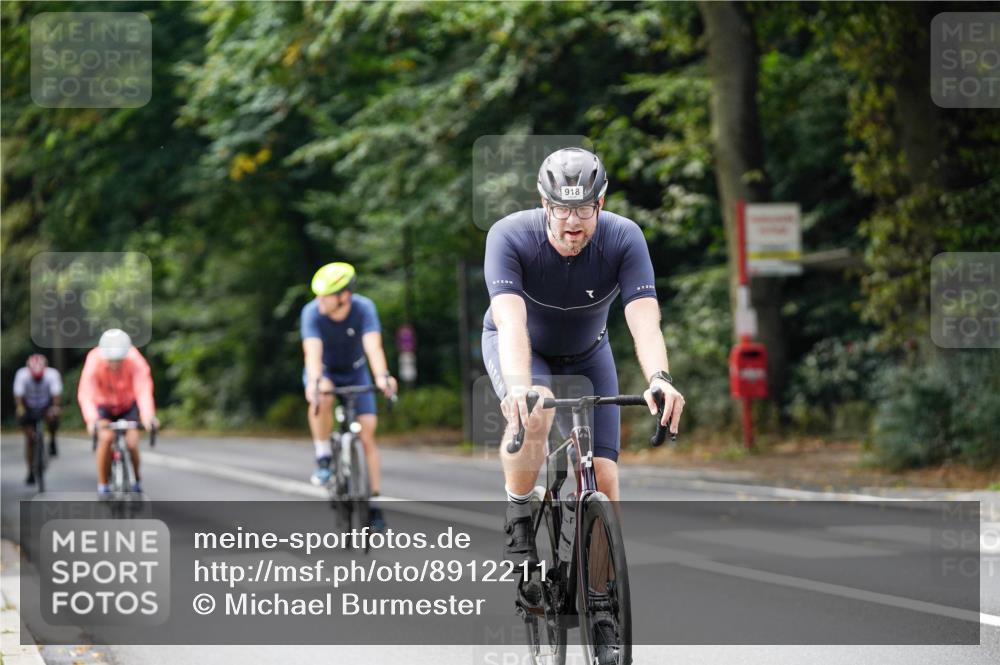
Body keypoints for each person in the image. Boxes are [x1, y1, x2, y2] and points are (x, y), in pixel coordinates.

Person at [482, 147, 685, 663]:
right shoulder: (509, 235)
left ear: (601, 203)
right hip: (524, 350)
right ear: (543, 203)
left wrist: (659, 378)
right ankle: (518, 511)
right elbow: (510, 322)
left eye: (585, 208)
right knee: (540, 405)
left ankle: (600, 603)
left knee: (606, 478)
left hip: (592, 351)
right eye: (562, 209)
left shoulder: (623, 237)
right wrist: (520, 388)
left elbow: (643, 318)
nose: (573, 223)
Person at [301, 262, 398, 531]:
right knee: (322, 395)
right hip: (326, 371)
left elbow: (373, 347)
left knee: (367, 435)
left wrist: (383, 377)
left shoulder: (364, 308)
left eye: (325, 295)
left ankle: (374, 504)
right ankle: (323, 457)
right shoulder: (312, 313)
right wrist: (315, 383)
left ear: (344, 296)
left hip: (356, 372)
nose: (319, 300)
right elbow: (312, 353)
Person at [77, 329, 158, 495]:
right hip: (103, 406)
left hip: (127, 405)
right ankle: (103, 485)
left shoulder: (135, 359)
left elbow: (143, 389)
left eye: (119, 360)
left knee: (132, 442)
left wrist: (148, 415)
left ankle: (137, 480)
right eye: (111, 360)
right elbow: (86, 392)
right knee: (106, 438)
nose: (115, 364)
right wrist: (92, 420)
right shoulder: (94, 359)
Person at [13, 354, 63, 484]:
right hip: (28, 406)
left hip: (45, 405)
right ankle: (30, 471)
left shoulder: (52, 374)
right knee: (29, 439)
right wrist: (20, 408)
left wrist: (55, 407)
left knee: (54, 416)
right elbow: (18, 395)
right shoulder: (22, 375)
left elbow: (56, 394)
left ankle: (52, 439)